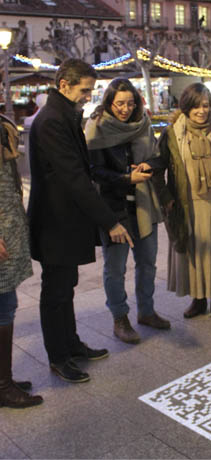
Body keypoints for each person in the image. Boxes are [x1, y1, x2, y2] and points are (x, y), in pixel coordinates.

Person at [28, 59, 133, 383]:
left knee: (66, 288)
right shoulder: (52, 120)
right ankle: (59, 357)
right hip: (55, 222)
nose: (89, 96)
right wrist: (110, 222)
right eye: (85, 90)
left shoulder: (64, 114)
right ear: (64, 85)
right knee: (55, 292)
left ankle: (72, 345)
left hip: (66, 220)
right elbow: (74, 177)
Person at [151, 83, 211, 322]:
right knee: (195, 253)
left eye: (205, 105)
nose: (201, 111)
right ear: (186, 106)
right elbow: (156, 168)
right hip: (189, 204)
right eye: (195, 106)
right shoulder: (173, 133)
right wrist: (166, 198)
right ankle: (198, 299)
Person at [85, 78, 171, 344]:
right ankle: (119, 318)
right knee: (116, 267)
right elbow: (94, 171)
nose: (125, 109)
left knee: (147, 263)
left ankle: (146, 311)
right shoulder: (97, 127)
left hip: (144, 204)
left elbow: (157, 156)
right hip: (114, 208)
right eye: (120, 103)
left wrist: (148, 167)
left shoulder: (143, 123)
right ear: (109, 102)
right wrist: (125, 178)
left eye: (130, 103)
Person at [0, 113, 42, 408]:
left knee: (7, 306)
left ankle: (4, 379)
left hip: (8, 230)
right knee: (3, 309)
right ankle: (3, 386)